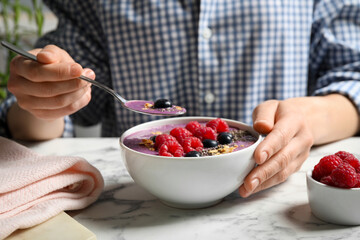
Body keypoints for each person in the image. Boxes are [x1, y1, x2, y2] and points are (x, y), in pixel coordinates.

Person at [1, 0, 360, 198]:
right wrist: (45, 94)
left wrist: (305, 117)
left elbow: (352, 72)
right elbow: (57, 117)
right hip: (140, 203)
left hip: (271, 203)